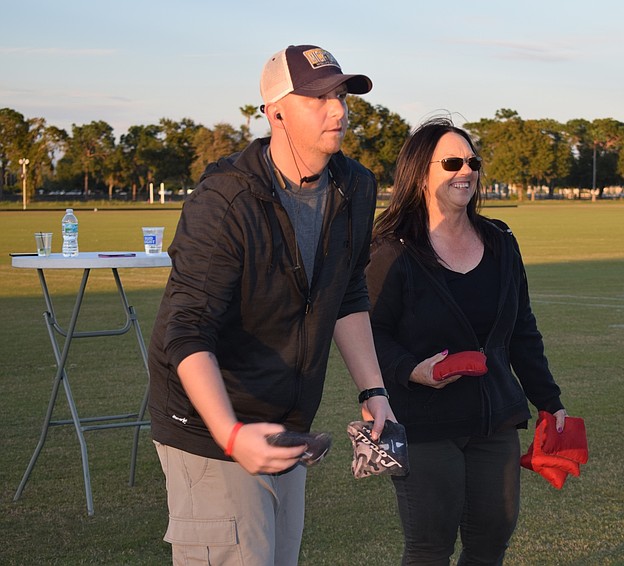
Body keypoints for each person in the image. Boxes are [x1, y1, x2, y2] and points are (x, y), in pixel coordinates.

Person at [147, 44, 394, 565]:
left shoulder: (356, 186)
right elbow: (186, 329)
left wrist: (374, 391)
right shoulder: (225, 199)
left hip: (285, 425)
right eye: (318, 98)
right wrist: (231, 433)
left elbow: (348, 292)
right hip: (210, 426)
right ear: (275, 110)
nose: (338, 110)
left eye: (342, 95)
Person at [365, 117, 569, 565]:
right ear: (420, 174)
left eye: (473, 162)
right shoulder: (392, 250)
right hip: (422, 422)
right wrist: (410, 370)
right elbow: (367, 331)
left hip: (492, 419)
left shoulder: (500, 242)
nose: (467, 171)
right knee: (430, 544)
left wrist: (550, 402)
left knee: (492, 537)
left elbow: (522, 330)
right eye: (453, 162)